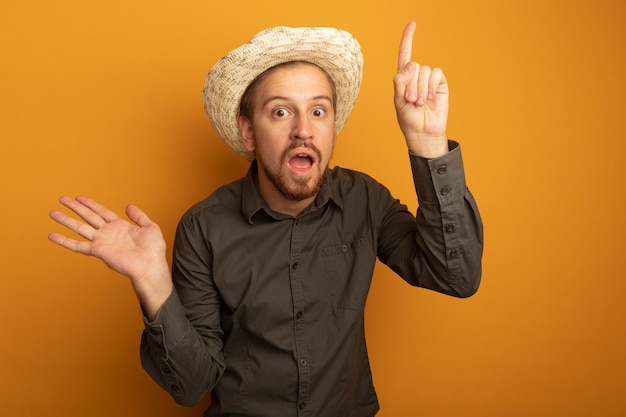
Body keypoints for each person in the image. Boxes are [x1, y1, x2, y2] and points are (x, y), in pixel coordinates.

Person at [49, 21, 483, 417]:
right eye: (280, 111)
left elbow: (456, 276)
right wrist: (153, 284)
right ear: (248, 132)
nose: (303, 130)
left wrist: (427, 142)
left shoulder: (364, 200)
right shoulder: (204, 227)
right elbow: (192, 386)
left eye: (318, 111)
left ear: (333, 127)